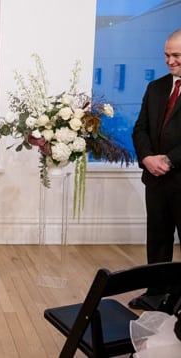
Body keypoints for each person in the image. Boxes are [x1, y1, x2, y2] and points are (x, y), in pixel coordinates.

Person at [130, 29, 181, 311]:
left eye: (176, 56)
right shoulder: (156, 87)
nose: (169, 61)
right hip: (156, 180)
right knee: (158, 239)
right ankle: (156, 293)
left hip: (179, 178)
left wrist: (170, 160)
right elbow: (140, 129)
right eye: (166, 55)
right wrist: (148, 158)